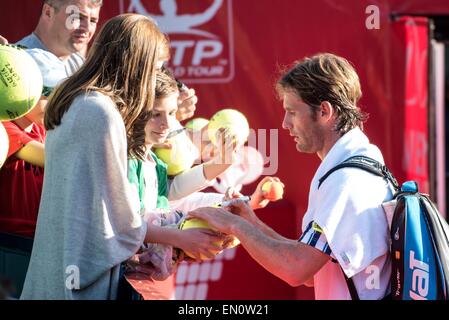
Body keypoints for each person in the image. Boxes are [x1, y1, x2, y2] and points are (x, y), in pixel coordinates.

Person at [189, 53, 393, 300]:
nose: (285, 123)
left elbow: (296, 269)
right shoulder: (353, 166)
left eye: (293, 112)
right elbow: (309, 272)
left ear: (324, 111)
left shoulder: (347, 180)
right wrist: (250, 221)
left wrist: (234, 225)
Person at [20, 13, 170, 300]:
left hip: (57, 274)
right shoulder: (99, 112)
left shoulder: (79, 101)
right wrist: (179, 237)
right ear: (134, 66)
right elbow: (116, 223)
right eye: (153, 70)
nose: (154, 83)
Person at [0, 48, 68, 237]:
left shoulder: (42, 129)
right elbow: (51, 157)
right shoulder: (5, 128)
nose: (56, 103)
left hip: (37, 236)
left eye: (61, 95)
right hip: (9, 238)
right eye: (49, 93)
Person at [16, 0, 102, 76]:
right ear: (48, 12)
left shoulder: (81, 67)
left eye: (93, 21)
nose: (87, 28)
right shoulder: (16, 62)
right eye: (77, 17)